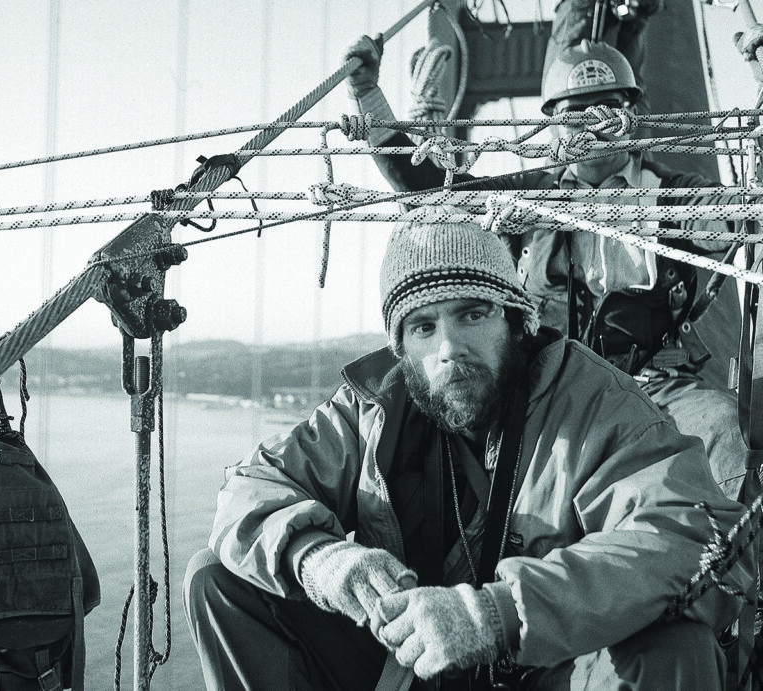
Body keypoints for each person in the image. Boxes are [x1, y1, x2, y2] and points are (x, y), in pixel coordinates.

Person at [183, 210, 752, 690]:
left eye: (472, 314)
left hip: (542, 670)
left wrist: (499, 613)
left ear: (515, 321)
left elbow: (688, 536)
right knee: (218, 578)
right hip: (406, 664)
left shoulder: (596, 403)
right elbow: (251, 490)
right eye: (423, 327)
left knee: (676, 650)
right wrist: (320, 559)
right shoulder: (372, 407)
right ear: (400, 346)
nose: (449, 348)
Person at [343, 34, 753, 504]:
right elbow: (432, 189)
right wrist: (368, 96)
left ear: (632, 116)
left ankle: (730, 564)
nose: (591, 126)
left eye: (606, 108)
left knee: (727, 433)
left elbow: (734, 213)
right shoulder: (531, 195)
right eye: (575, 114)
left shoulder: (673, 192)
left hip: (659, 384)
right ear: (553, 126)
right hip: (552, 387)